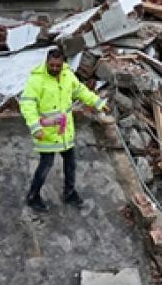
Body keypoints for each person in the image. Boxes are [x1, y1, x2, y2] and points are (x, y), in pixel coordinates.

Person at [19, 48, 108, 212]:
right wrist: (35, 126)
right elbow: (27, 104)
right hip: (47, 133)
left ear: (63, 64)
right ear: (46, 62)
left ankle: (69, 193)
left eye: (57, 66)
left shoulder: (68, 75)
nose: (54, 68)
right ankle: (33, 196)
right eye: (51, 65)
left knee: (71, 163)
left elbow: (80, 91)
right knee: (46, 165)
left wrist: (98, 103)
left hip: (65, 132)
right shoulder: (36, 80)